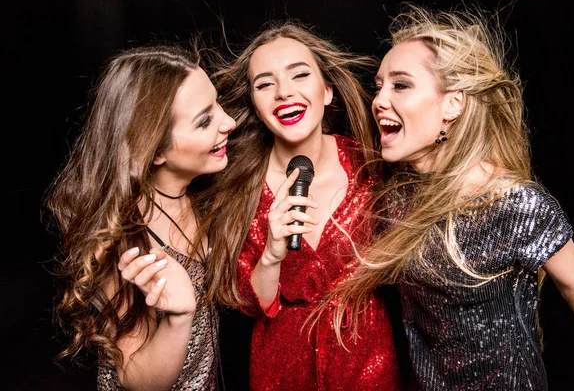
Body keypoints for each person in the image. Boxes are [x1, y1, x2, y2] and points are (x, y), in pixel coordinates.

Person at [326, 4, 574, 391]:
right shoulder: (397, 195)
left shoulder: (512, 203)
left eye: (400, 85)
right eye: (379, 85)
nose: (379, 100)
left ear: (453, 103)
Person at [207, 21, 401, 390]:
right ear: (255, 104)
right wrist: (271, 255)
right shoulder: (236, 184)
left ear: (327, 91)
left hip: (366, 354)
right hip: (280, 362)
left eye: (299, 75)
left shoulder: (374, 165)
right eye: (265, 84)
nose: (283, 92)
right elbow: (247, 303)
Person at [44, 42, 236, 390]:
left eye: (217, 104)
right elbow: (137, 381)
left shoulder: (206, 196)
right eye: (205, 120)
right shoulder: (124, 238)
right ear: (156, 149)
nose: (229, 122)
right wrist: (178, 318)